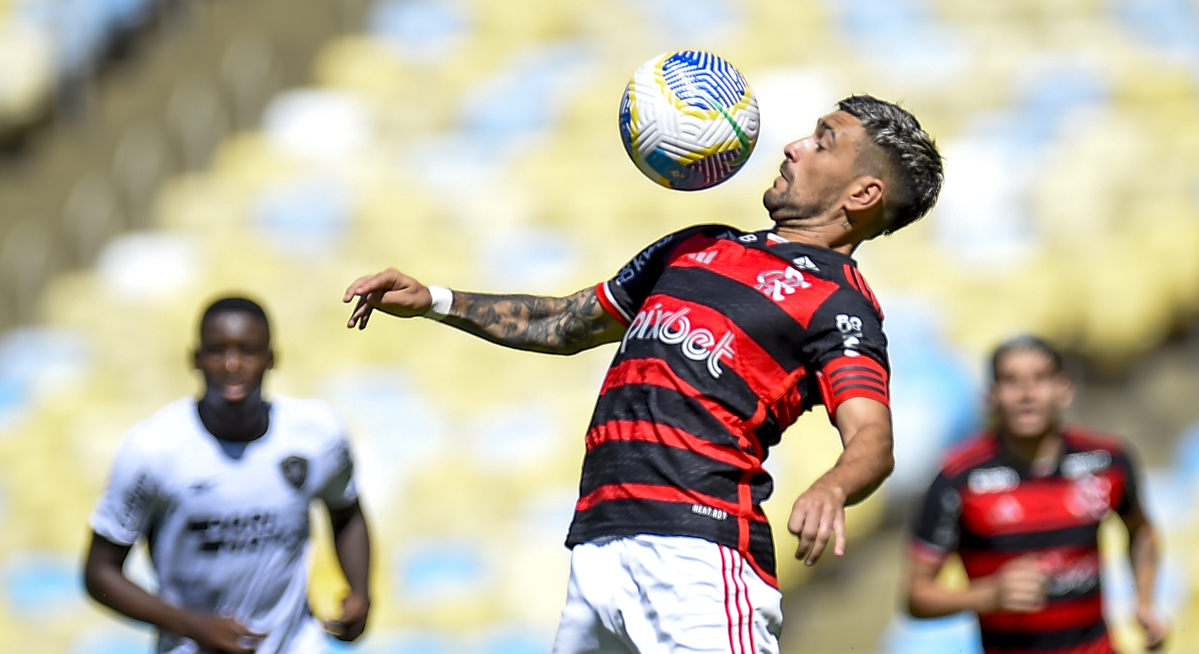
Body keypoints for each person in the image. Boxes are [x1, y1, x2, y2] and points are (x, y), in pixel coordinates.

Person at [343, 95, 943, 654]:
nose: (793, 146)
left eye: (823, 141)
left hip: (698, 553)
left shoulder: (837, 302)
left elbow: (872, 437)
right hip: (598, 546)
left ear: (863, 195)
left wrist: (833, 487)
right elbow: (566, 323)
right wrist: (436, 300)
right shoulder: (693, 246)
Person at [84, 296, 372, 654]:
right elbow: (99, 572)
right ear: (195, 359)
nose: (232, 364)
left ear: (271, 358)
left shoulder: (317, 433)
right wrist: (192, 624)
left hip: (297, 644)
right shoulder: (152, 449)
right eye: (218, 351)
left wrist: (359, 591)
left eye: (247, 351)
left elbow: (346, 512)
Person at [905, 335, 1168, 653]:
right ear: (990, 396)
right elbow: (916, 596)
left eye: (1040, 379)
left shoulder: (1107, 461)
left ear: (1064, 389)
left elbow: (1141, 532)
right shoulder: (958, 479)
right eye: (1011, 381)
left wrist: (1144, 602)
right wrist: (989, 595)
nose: (1027, 393)